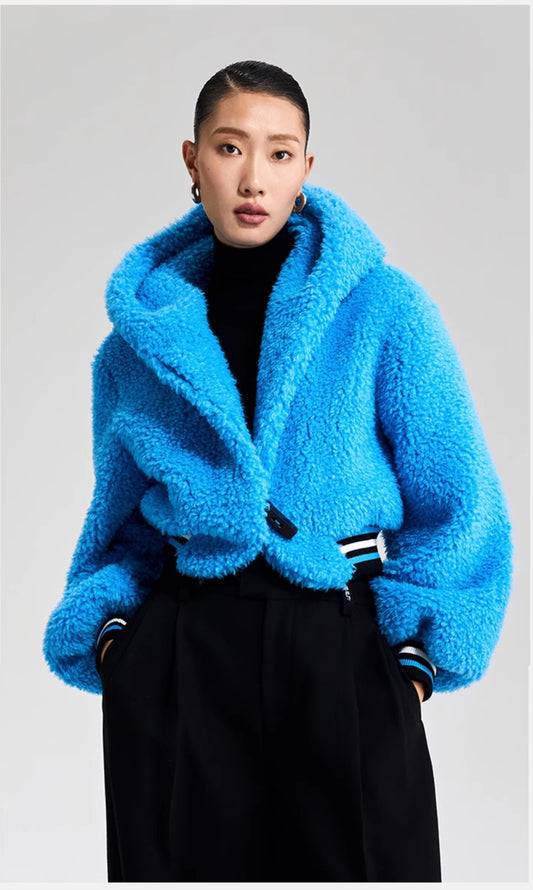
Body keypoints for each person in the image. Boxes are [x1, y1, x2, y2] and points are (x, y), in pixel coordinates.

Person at [43, 60, 513, 882]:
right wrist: (121, 646)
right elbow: (117, 521)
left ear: (305, 169)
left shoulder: (383, 309)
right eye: (230, 148)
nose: (253, 177)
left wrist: (412, 663)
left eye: (280, 152)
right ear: (192, 161)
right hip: (185, 654)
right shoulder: (137, 346)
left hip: (341, 641)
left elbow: (458, 495)